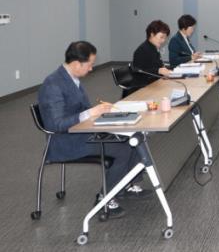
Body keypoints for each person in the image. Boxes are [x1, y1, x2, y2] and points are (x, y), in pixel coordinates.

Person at [37, 42, 150, 219]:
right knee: (125, 148)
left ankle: (125, 185)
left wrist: (100, 112)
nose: (91, 69)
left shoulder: (72, 78)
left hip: (82, 132)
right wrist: (90, 113)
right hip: (65, 142)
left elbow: (81, 110)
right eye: (89, 64)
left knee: (135, 138)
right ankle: (104, 198)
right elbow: (56, 124)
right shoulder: (53, 85)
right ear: (76, 64)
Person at [129, 20, 172, 96]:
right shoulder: (142, 50)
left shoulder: (153, 47)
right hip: (142, 89)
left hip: (153, 83)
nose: (163, 40)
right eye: (161, 37)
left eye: (165, 38)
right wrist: (159, 71)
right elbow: (139, 72)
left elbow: (158, 66)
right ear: (152, 34)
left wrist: (165, 70)